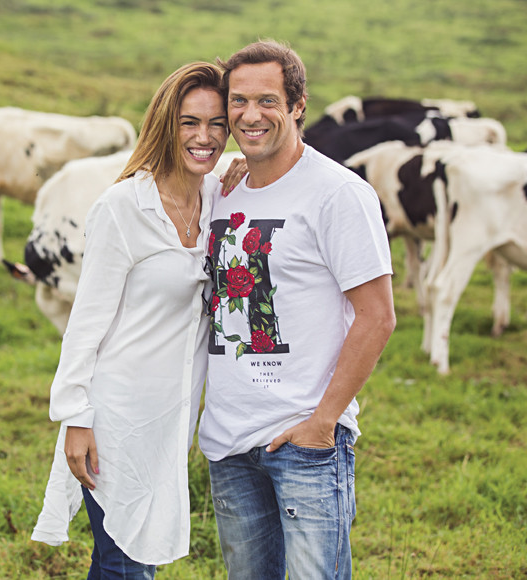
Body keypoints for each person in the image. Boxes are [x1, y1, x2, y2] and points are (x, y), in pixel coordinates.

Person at [200, 40, 397, 579]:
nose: (250, 115)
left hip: (305, 440)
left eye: (267, 100)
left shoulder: (338, 194)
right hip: (228, 441)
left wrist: (324, 421)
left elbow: (378, 316)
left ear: (298, 104)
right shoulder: (219, 192)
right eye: (237, 101)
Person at [31, 61, 230, 578]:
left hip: (173, 419)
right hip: (116, 416)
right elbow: (86, 323)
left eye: (216, 123)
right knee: (126, 564)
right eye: (190, 122)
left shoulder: (221, 200)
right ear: (165, 123)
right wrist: (75, 417)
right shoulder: (123, 207)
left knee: (125, 559)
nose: (204, 137)